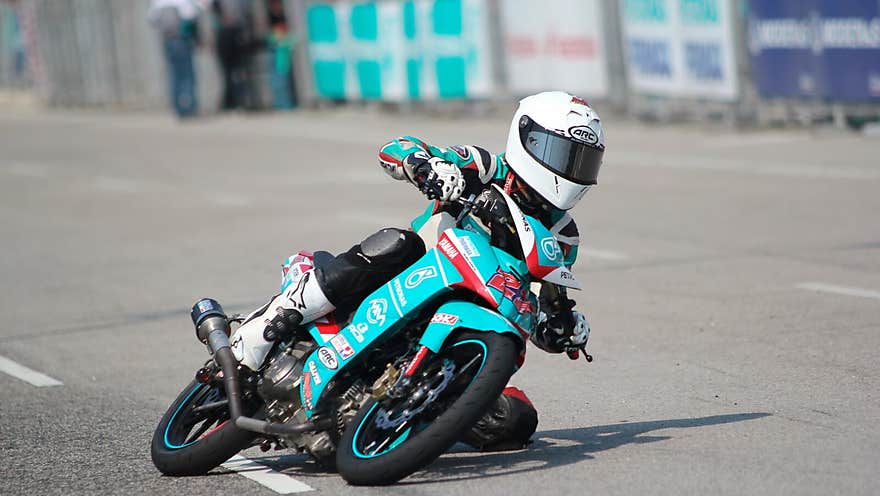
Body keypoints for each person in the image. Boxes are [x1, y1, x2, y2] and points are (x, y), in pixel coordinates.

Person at [231, 91, 604, 450]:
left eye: (582, 161)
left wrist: (560, 327)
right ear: (529, 140)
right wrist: (425, 166)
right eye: (563, 155)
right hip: (411, 277)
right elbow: (396, 148)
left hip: (467, 327)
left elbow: (539, 305)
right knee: (397, 243)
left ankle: (405, 423)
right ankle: (274, 320)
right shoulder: (485, 167)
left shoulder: (564, 237)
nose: (570, 170)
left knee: (515, 420)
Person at [148, 0, 203, 118]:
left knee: (174, 74)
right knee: (187, 75)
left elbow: (152, 20)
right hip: (181, 40)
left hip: (168, 40)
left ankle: (177, 107)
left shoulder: (158, 3)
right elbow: (191, 15)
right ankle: (189, 107)